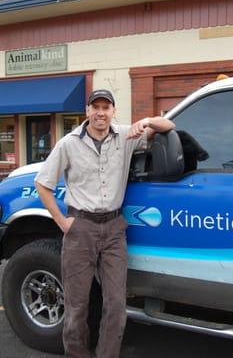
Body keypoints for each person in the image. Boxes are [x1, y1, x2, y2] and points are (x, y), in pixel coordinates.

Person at [35, 89, 175, 358]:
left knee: (116, 305)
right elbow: (42, 184)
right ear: (87, 111)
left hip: (113, 229)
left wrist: (146, 120)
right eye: (95, 107)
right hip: (81, 229)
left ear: (113, 111)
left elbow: (169, 125)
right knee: (76, 306)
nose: (100, 112)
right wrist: (63, 222)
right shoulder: (68, 143)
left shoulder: (126, 136)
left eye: (106, 107)